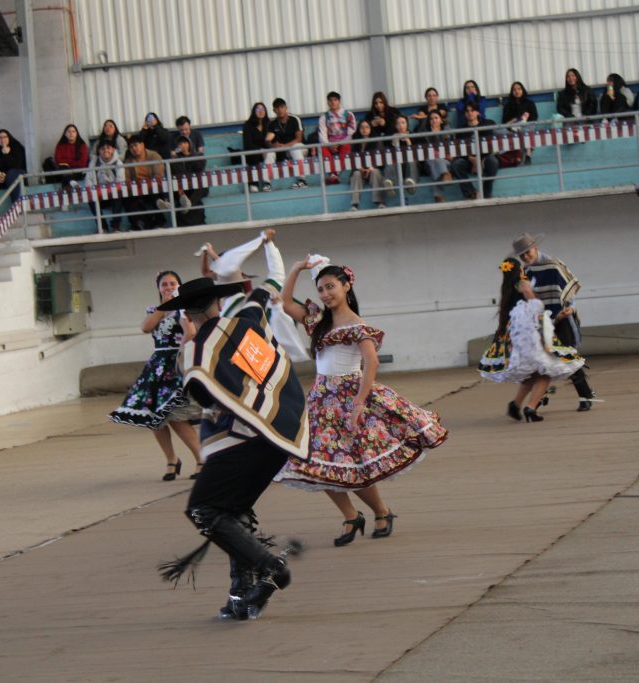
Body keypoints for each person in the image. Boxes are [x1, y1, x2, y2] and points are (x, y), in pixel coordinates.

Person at [156, 277, 308, 621]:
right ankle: (241, 595)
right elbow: (258, 300)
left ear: (187, 314)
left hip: (239, 442)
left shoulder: (196, 350)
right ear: (219, 304)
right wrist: (265, 286)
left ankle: (271, 567)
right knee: (233, 511)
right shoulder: (246, 324)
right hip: (277, 436)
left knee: (202, 509)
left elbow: (201, 395)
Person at [274, 257, 448, 545]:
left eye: (331, 287)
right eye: (321, 289)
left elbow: (372, 362)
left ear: (346, 286)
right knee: (316, 463)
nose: (325, 294)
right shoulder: (318, 321)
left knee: (350, 463)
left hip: (347, 399)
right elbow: (285, 303)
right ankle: (351, 515)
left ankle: (381, 511)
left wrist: (358, 404)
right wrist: (295, 269)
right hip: (321, 400)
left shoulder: (357, 326)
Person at [109, 270, 203, 479]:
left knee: (176, 415)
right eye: (164, 284)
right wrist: (163, 308)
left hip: (175, 365)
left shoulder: (183, 309)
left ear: (179, 285)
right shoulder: (155, 310)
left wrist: (180, 351)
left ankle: (201, 459)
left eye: (172, 283)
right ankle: (171, 459)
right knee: (154, 417)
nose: (169, 287)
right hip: (156, 366)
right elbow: (146, 327)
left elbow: (191, 332)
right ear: (159, 288)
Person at [478, 256, 585, 422]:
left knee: (533, 374)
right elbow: (535, 304)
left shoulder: (507, 288)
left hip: (516, 337)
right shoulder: (523, 283)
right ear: (519, 269)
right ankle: (531, 408)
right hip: (530, 335)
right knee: (546, 372)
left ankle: (515, 404)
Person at [199, 229, 311, 364]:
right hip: (280, 360)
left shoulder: (225, 316)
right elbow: (276, 272)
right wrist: (268, 244)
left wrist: (208, 252)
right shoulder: (264, 294)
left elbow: (217, 271)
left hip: (255, 364)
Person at [513, 233, 597, 411]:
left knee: (567, 356)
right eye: (522, 255)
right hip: (541, 322)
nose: (526, 257)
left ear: (535, 248)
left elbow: (568, 291)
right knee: (542, 361)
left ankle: (585, 396)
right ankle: (539, 398)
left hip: (562, 318)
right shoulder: (525, 272)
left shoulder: (553, 264)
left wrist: (570, 308)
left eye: (528, 252)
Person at [449, 103, 501, 199]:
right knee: (456, 164)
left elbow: (491, 145)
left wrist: (479, 160)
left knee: (493, 161)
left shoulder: (488, 124)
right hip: (469, 160)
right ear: (464, 114)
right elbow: (459, 150)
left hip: (485, 158)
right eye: (467, 111)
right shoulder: (461, 130)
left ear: (478, 112)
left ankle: (486, 193)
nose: (470, 113)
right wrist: (471, 158)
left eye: (472, 110)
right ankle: (471, 193)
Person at [161, 135, 207, 227]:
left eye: (185, 143)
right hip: (182, 187)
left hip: (196, 186)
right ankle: (169, 202)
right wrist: (174, 160)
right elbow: (174, 174)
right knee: (172, 185)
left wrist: (188, 156)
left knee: (200, 187)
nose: (182, 145)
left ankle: (188, 203)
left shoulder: (198, 156)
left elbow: (199, 168)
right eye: (180, 143)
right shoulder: (175, 160)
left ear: (190, 144)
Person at [123, 134, 166, 230]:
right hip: (137, 188)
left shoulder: (154, 156)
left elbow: (158, 175)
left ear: (142, 145)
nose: (134, 149)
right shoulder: (129, 161)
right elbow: (127, 179)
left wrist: (147, 185)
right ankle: (137, 224)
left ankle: (159, 222)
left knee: (154, 194)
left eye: (136, 145)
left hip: (153, 185)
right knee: (127, 199)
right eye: (131, 147)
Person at [264, 98, 307, 188]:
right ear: (274, 110)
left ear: (286, 108)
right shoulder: (273, 124)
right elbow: (267, 141)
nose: (280, 110)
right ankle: (267, 183)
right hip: (283, 151)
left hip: (299, 147)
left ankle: (302, 180)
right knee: (270, 153)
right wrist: (273, 145)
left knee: (295, 149)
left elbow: (299, 139)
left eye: (282, 107)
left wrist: (285, 146)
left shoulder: (294, 119)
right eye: (277, 108)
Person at [85, 138, 124, 233]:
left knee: (118, 195)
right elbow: (88, 180)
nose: (105, 150)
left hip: (113, 194)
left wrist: (109, 188)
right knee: (91, 199)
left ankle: (116, 227)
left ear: (113, 150)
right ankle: (103, 227)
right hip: (100, 194)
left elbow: (120, 182)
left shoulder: (118, 163)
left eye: (108, 148)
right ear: (99, 151)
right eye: (102, 148)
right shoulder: (94, 163)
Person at [317, 91, 356, 184]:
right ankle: (333, 174)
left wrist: (339, 144)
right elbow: (322, 135)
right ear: (327, 102)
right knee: (322, 148)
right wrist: (329, 145)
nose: (333, 102)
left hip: (344, 142)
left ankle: (335, 174)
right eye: (330, 100)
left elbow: (351, 132)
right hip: (330, 143)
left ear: (339, 101)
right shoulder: (324, 117)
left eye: (335, 100)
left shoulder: (348, 114)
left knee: (347, 146)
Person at [348, 119, 386, 210]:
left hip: (372, 169)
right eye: (362, 127)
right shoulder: (355, 142)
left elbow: (380, 159)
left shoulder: (376, 141)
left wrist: (370, 168)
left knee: (375, 172)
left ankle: (379, 202)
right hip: (360, 170)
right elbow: (352, 158)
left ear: (371, 129)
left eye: (367, 127)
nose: (364, 129)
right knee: (356, 174)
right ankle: (354, 205)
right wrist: (360, 168)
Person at [382, 114, 418, 200]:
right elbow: (389, 154)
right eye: (398, 123)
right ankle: (389, 184)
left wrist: (408, 141)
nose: (401, 125)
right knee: (390, 161)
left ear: (407, 124)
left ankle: (411, 184)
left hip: (409, 164)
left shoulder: (413, 135)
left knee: (411, 160)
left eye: (403, 123)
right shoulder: (392, 137)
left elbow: (415, 153)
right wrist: (394, 144)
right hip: (397, 164)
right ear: (395, 126)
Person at [502, 81, 538, 164]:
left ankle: (528, 154)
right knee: (500, 131)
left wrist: (524, 122)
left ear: (523, 90)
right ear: (512, 92)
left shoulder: (530, 103)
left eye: (519, 89)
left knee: (528, 128)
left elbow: (534, 117)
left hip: (526, 126)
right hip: (513, 127)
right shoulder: (508, 105)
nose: (517, 91)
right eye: (514, 90)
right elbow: (504, 122)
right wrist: (514, 121)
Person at [422, 110, 453, 203]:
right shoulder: (425, 134)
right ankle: (445, 174)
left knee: (436, 162)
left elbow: (450, 149)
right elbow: (427, 152)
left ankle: (438, 195)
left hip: (446, 161)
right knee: (434, 160)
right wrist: (433, 135)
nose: (434, 120)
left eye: (436, 118)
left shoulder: (447, 132)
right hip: (430, 162)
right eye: (431, 119)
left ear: (441, 120)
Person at [242, 102, 272, 193]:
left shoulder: (269, 124)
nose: (260, 111)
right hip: (253, 151)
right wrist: (260, 150)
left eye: (262, 109)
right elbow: (247, 144)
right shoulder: (248, 125)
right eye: (258, 109)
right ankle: (253, 183)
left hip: (266, 152)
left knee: (271, 154)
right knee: (253, 156)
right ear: (253, 112)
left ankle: (267, 183)